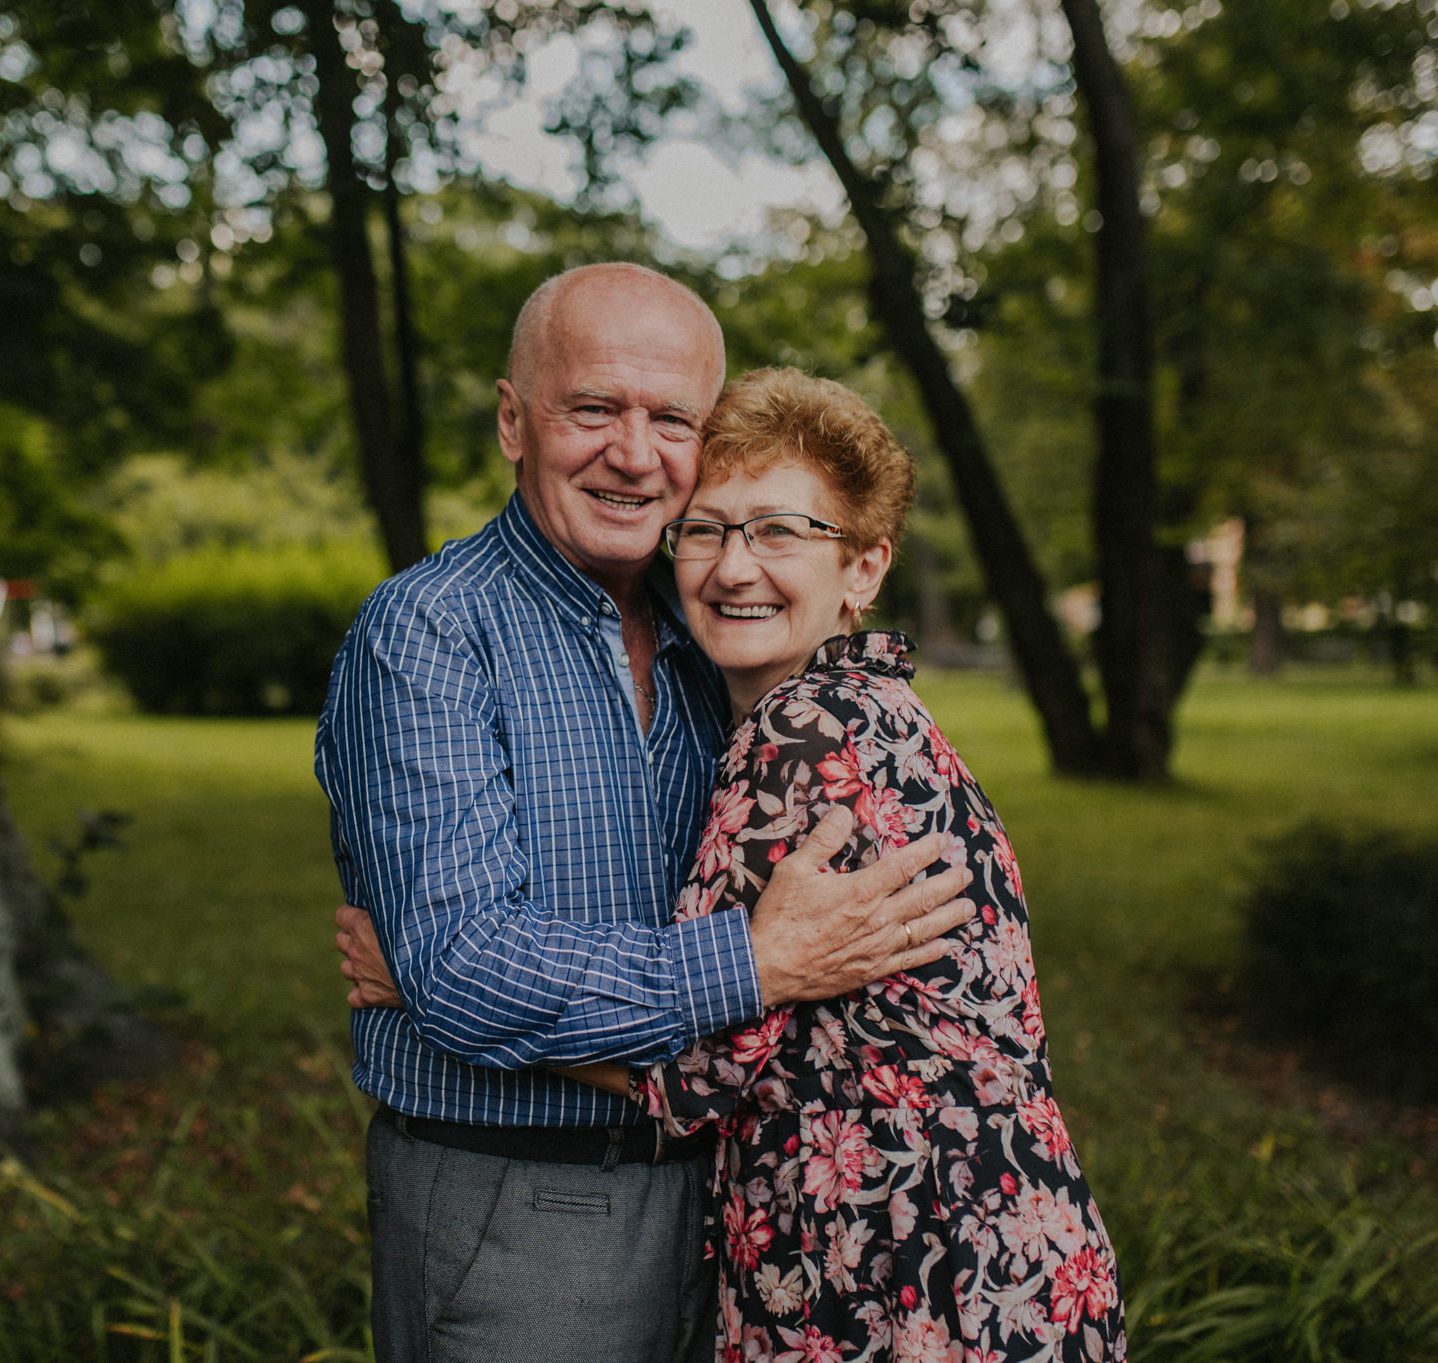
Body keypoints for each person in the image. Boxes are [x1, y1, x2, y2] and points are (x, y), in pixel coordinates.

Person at [315, 264, 977, 1363]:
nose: (632, 453)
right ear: (510, 420)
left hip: (743, 1204)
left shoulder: (725, 630)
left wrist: (765, 968)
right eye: (592, 408)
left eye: (671, 418)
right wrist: (754, 963)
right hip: (519, 1203)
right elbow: (468, 970)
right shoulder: (428, 632)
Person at [562, 366, 1124, 1359]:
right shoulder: (879, 712)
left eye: (779, 531)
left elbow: (679, 1064)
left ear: (861, 568)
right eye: (705, 528)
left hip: (904, 1275)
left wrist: (428, 991)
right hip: (1007, 1251)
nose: (733, 567)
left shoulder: (804, 732)